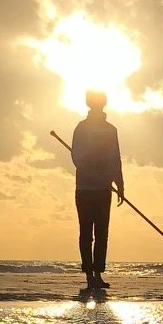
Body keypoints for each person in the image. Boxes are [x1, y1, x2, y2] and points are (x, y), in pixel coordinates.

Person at [71, 90, 124, 290]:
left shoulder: (111, 130)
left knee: (101, 232)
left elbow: (116, 158)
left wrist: (119, 183)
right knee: (87, 232)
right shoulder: (81, 128)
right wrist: (92, 164)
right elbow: (76, 157)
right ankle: (89, 274)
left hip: (102, 187)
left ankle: (97, 273)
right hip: (85, 187)